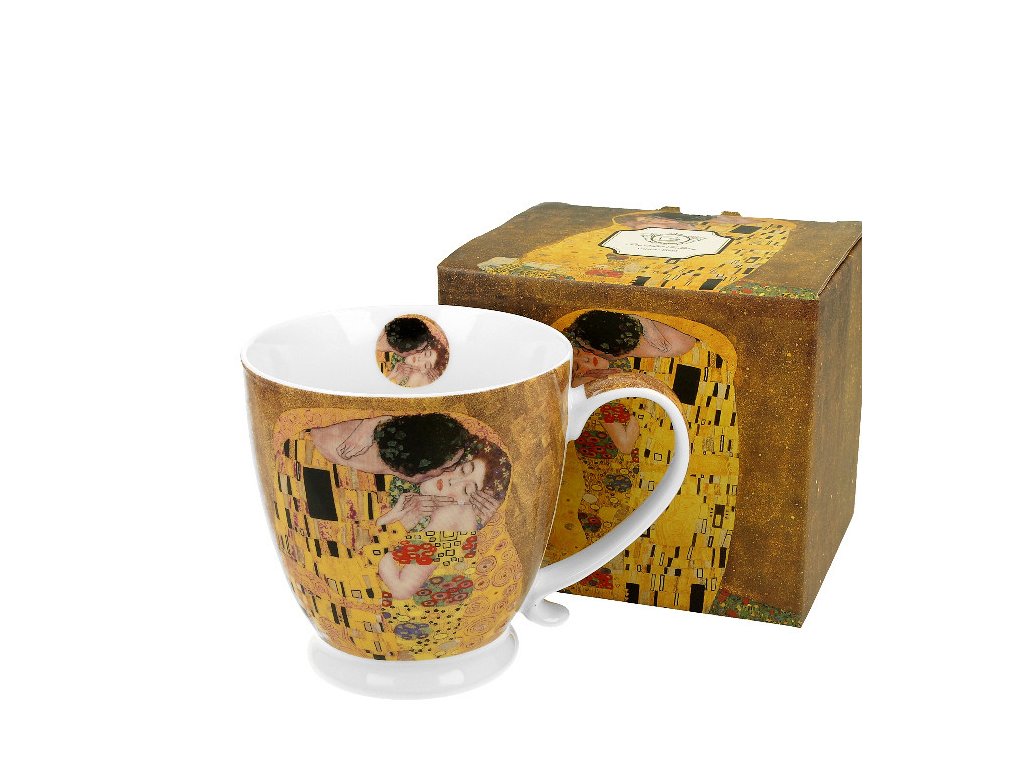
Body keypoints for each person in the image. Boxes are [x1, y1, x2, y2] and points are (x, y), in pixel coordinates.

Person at [374, 439, 511, 599]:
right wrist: (392, 518)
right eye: (463, 469)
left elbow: (402, 588)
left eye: (466, 490)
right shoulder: (400, 477)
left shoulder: (453, 516)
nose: (454, 481)